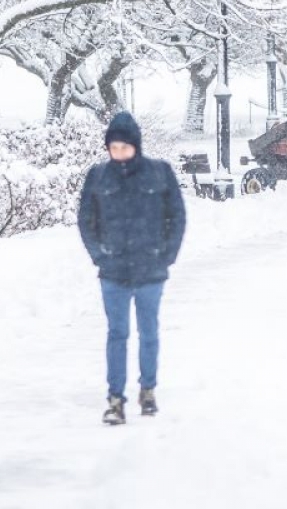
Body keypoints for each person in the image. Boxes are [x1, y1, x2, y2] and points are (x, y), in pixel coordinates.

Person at [78, 111, 187, 425]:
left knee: (149, 332)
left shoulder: (159, 173)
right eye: (114, 148)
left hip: (150, 269)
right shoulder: (98, 177)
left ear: (136, 145)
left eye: (124, 147)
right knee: (117, 333)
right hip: (113, 272)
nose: (119, 153)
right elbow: (87, 221)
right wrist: (100, 255)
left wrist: (166, 255)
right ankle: (115, 398)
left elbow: (176, 217)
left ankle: (148, 390)